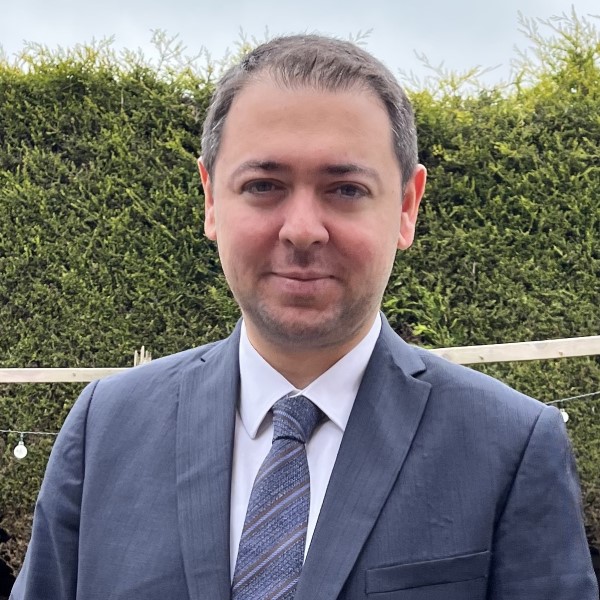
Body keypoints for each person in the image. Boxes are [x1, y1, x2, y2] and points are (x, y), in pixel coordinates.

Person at [11, 35, 597, 600]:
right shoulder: (104, 429)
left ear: (406, 207)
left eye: (345, 189)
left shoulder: (511, 446)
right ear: (212, 199)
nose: (301, 230)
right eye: (264, 185)